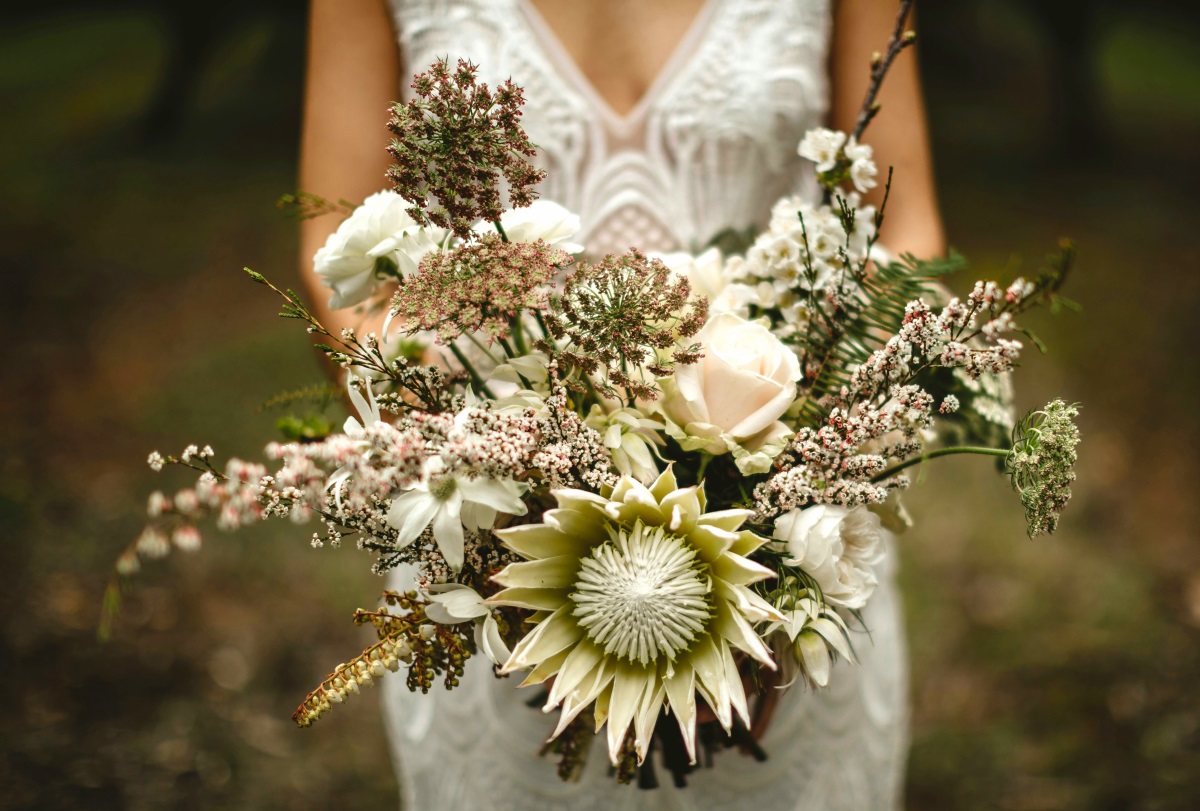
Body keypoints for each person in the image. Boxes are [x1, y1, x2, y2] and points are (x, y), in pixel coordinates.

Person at [299, 1, 945, 807]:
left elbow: (903, 215)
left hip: (790, 560)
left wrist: (796, 493)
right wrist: (494, 484)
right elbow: (338, 247)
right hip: (491, 546)